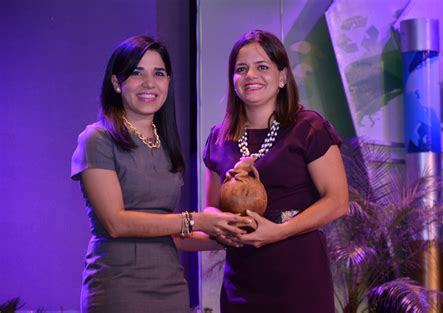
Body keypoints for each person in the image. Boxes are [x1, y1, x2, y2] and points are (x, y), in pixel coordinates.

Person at [71, 35, 250, 313]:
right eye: (136, 73)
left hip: (171, 288)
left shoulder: (166, 146)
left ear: (168, 81)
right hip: (118, 288)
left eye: (159, 73)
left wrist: (225, 234)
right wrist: (197, 219)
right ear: (117, 83)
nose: (149, 84)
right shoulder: (97, 138)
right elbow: (116, 223)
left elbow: (168, 232)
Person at [203, 30, 349, 313]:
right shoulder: (219, 138)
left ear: (282, 77)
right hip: (241, 284)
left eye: (262, 67)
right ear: (233, 81)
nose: (250, 76)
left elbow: (337, 201)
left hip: (299, 281)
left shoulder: (308, 128)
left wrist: (278, 232)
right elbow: (211, 209)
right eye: (241, 69)